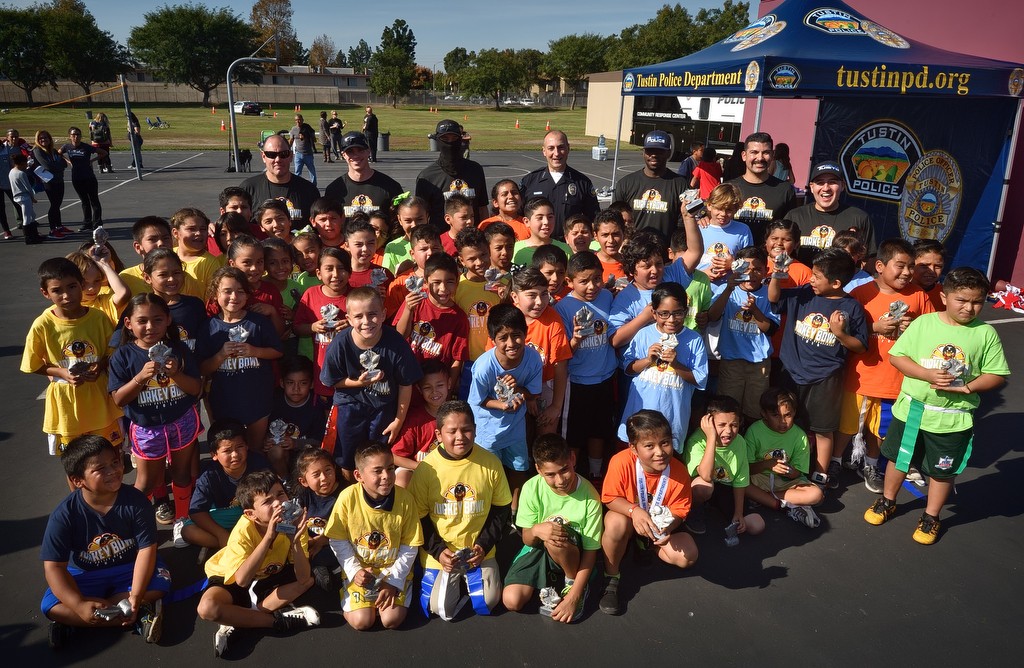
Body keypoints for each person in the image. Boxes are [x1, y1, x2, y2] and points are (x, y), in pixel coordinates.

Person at [864, 267, 1009, 545]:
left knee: (942, 472)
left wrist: (968, 386)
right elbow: (898, 357)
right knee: (898, 459)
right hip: (913, 411)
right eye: (962, 300)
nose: (969, 307)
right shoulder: (924, 323)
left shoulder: (985, 333)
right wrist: (926, 374)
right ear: (944, 297)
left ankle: (931, 516)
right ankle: (887, 500)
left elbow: (996, 374)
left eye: (977, 301)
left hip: (952, 419)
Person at [40, 435, 169, 649]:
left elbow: (147, 550)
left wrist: (135, 596)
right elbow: (54, 567)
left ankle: (79, 621)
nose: (112, 471)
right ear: (77, 480)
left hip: (129, 568)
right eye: (100, 468)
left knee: (160, 584)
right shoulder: (64, 515)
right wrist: (79, 604)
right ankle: (132, 616)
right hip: (86, 574)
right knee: (51, 606)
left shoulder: (136, 501)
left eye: (115, 462)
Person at [836, 239, 935, 493]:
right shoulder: (861, 293)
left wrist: (912, 330)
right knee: (847, 425)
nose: (907, 273)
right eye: (900, 266)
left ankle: (870, 465)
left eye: (911, 267)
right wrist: (873, 328)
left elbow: (932, 332)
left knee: (880, 430)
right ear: (879, 265)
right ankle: (835, 461)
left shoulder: (918, 295)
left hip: (895, 380)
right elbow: (842, 328)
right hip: (860, 376)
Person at [768, 247, 869, 487]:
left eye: (816, 276)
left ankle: (821, 473)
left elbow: (861, 346)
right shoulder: (804, 293)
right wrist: (776, 275)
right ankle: (781, 465)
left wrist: (840, 334)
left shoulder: (852, 307)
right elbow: (774, 298)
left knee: (823, 428)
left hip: (826, 378)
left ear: (835, 283)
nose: (810, 279)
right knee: (785, 422)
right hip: (790, 372)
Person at [407, 400, 513, 621]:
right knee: (438, 607)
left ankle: (473, 576)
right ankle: (451, 577)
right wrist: (438, 551)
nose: (460, 437)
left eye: (466, 430)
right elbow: (419, 517)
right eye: (452, 431)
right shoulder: (426, 469)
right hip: (442, 553)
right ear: (438, 435)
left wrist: (483, 545)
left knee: (489, 600)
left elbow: (501, 510)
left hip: (478, 551)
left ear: (475, 430)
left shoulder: (491, 463)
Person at [197, 471, 320, 658]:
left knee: (308, 581)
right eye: (267, 501)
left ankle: (241, 619)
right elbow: (242, 581)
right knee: (207, 608)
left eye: (280, 494)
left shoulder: (293, 521)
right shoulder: (243, 530)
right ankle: (275, 621)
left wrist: (295, 541)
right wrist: (269, 536)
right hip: (235, 574)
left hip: (269, 572)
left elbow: (303, 578)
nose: (278, 503)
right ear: (250, 514)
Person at [108, 293, 201, 524]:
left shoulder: (178, 349)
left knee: (181, 474)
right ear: (128, 324)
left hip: (182, 421)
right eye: (142, 321)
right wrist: (140, 378)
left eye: (158, 319)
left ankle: (182, 519)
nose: (151, 326)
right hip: (147, 428)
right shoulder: (123, 355)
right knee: (147, 481)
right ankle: (135, 525)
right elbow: (118, 399)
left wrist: (177, 374)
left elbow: (196, 389)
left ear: (168, 320)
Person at [22, 257, 124, 462]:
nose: (67, 295)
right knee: (74, 461)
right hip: (66, 408)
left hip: (100, 402)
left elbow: (112, 352)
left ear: (82, 285)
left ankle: (113, 494)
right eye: (57, 290)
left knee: (111, 455)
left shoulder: (98, 318)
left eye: (72, 286)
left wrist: (100, 366)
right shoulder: (43, 324)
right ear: (46, 293)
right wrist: (61, 373)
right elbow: (32, 365)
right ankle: (79, 495)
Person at [598, 409, 697, 616]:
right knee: (616, 523)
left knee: (688, 557)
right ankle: (611, 577)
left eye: (665, 442)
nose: (660, 452)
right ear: (633, 449)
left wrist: (668, 527)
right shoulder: (620, 461)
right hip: (628, 518)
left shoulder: (679, 471)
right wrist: (634, 511)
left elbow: (680, 509)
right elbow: (609, 498)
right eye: (649, 446)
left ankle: (647, 545)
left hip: (657, 525)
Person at [320, 287, 423, 479]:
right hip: (349, 405)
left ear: (384, 314)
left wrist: (398, 421)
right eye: (358, 316)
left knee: (379, 456)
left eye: (372, 314)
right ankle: (353, 491)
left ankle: (375, 494)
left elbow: (405, 384)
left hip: (383, 405)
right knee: (347, 457)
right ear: (349, 319)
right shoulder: (339, 344)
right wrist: (358, 383)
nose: (366, 322)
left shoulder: (396, 343)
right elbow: (332, 381)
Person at [502, 434, 603, 623]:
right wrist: (536, 530)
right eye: (550, 474)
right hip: (540, 548)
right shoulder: (531, 488)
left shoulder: (590, 496)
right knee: (511, 600)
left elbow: (591, 552)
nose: (560, 480)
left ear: (572, 459)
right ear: (539, 469)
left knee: (555, 536)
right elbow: (527, 539)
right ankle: (553, 578)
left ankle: (572, 583)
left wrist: (574, 596)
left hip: (573, 554)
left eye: (564, 469)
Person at [324, 440, 424, 630]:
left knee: (391, 620)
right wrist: (354, 572)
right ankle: (350, 590)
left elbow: (410, 545)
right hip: (362, 570)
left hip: (391, 568)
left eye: (390, 468)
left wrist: (393, 581)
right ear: (358, 475)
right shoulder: (347, 498)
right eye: (377, 471)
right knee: (362, 622)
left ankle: (402, 587)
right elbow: (337, 539)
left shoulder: (405, 500)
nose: (386, 476)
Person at [617, 281, 709, 451]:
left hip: (671, 417)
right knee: (636, 453)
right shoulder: (644, 334)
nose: (671, 319)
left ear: (686, 311)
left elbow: (700, 380)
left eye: (678, 313)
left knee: (665, 456)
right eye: (664, 314)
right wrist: (647, 360)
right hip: (640, 413)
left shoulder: (694, 339)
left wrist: (676, 364)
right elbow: (628, 368)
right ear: (654, 313)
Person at [201, 266, 284, 451]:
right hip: (224, 400)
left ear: (248, 295)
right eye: (227, 291)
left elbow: (278, 351)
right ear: (215, 294)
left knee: (255, 448)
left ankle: (254, 478)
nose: (234, 297)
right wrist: (221, 355)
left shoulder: (258, 323)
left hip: (257, 398)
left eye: (240, 291)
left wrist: (254, 351)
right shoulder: (209, 327)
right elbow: (202, 368)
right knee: (229, 448)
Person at [468, 305, 543, 509]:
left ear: (526, 333)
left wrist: (518, 389)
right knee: (488, 472)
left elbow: (534, 393)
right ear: (493, 340)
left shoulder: (533, 358)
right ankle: (490, 510)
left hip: (516, 428)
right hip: (487, 431)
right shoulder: (484, 366)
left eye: (516, 335)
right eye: (503, 338)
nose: (511, 343)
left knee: (518, 468)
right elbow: (477, 400)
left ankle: (515, 510)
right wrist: (502, 405)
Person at [555, 251, 618, 481]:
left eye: (596, 279)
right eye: (583, 281)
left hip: (605, 378)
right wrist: (576, 340)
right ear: (570, 281)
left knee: (599, 429)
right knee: (574, 434)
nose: (592, 286)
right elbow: (563, 353)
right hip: (578, 382)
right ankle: (571, 477)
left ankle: (595, 473)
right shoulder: (564, 307)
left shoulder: (607, 298)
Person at [708, 246, 778, 426]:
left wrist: (755, 310)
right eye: (745, 269)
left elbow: (770, 329)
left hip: (759, 363)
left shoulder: (769, 293)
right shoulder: (726, 289)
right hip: (731, 360)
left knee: (755, 410)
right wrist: (728, 290)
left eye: (757, 269)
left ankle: (749, 443)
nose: (751, 274)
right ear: (735, 269)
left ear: (766, 271)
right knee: (727, 408)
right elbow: (713, 316)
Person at [175, 421, 269, 550]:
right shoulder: (209, 475)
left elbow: (273, 496)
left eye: (239, 447)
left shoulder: (259, 464)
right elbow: (196, 511)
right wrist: (220, 534)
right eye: (227, 450)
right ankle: (238, 545)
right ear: (214, 455)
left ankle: (245, 544)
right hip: (228, 514)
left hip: (255, 514)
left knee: (277, 523)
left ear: (247, 446)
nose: (235, 454)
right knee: (188, 531)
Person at [683, 396, 766, 537]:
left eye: (734, 425)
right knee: (705, 486)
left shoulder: (739, 442)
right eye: (721, 425)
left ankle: (716, 507)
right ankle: (693, 510)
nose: (728, 431)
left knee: (757, 524)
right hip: (699, 486)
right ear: (708, 424)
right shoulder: (697, 440)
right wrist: (711, 438)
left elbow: (740, 480)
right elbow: (706, 475)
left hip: (725, 487)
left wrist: (738, 513)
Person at [744, 388, 824, 526]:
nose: (783, 422)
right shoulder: (754, 431)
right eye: (776, 415)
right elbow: (746, 469)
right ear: (764, 414)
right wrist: (767, 465)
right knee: (741, 484)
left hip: (785, 483)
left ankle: (765, 499)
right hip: (759, 478)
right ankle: (784, 506)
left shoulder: (799, 436)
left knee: (817, 494)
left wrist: (790, 471)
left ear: (794, 413)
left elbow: (799, 472)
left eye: (788, 415)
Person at [394, 253, 469, 389]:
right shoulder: (414, 301)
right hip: (407, 379)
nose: (443, 289)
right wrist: (408, 310)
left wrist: (448, 388)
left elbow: (457, 359)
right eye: (436, 282)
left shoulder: (459, 317)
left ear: (457, 281)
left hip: (436, 387)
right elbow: (399, 336)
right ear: (426, 282)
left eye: (450, 282)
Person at [293, 247, 353, 405]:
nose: (335, 274)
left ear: (350, 272)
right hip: (322, 367)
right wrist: (313, 327)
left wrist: (352, 326)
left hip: (350, 370)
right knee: (327, 414)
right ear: (319, 273)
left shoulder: (356, 297)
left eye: (341, 268)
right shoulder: (310, 294)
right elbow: (297, 327)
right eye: (329, 269)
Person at [788, 160, 875, 266]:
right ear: (811, 187)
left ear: (842, 185)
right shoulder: (795, 216)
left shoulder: (859, 218)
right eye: (820, 182)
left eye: (832, 182)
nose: (826, 188)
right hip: (801, 281)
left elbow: (869, 261)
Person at [518, 130, 600, 238]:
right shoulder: (529, 181)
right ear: (544, 151)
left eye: (561, 147)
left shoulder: (582, 182)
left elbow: (594, 219)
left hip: (569, 247)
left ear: (568, 148)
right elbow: (518, 217)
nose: (556, 153)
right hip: (537, 247)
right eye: (551, 148)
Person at [612, 130, 689, 240]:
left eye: (659, 151)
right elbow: (614, 221)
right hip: (632, 251)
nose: (654, 155)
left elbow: (683, 225)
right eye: (650, 151)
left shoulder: (680, 185)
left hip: (664, 253)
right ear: (643, 152)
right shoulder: (625, 183)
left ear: (668, 153)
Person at [416, 119, 489, 226]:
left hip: (473, 239)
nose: (450, 143)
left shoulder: (475, 170)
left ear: (460, 139)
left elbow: (482, 208)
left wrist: (484, 233)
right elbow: (421, 216)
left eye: (454, 138)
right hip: (440, 240)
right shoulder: (427, 177)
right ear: (437, 140)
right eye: (445, 139)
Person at [726, 132, 797, 242]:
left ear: (772, 155)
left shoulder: (785, 190)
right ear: (744, 156)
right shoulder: (728, 188)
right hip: (733, 256)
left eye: (766, 153)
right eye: (754, 152)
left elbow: (790, 230)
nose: (760, 158)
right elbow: (713, 220)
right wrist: (704, 218)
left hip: (769, 257)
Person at [240, 133, 321, 228]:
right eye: (271, 155)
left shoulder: (309, 190)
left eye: (283, 154)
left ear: (291, 156)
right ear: (263, 157)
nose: (278, 159)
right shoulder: (248, 189)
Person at [291, 446, 342, 591]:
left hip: (334, 539)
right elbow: (296, 519)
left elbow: (349, 525)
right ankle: (317, 567)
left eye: (328, 470)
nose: (324, 478)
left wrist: (323, 539)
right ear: (304, 481)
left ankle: (320, 566)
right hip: (310, 540)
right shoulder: (304, 495)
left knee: (338, 550)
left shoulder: (345, 494)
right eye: (316, 474)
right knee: (296, 550)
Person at [392, 360, 449, 485]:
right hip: (417, 469)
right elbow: (395, 457)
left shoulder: (458, 414)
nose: (434, 392)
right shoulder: (415, 419)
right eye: (428, 387)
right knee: (402, 478)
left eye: (440, 385)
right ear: (419, 389)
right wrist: (421, 467)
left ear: (449, 384)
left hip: (450, 470)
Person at [323, 132, 403, 220]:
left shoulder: (390, 187)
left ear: (368, 151)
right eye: (350, 151)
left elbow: (398, 224)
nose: (356, 155)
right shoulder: (334, 190)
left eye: (360, 150)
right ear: (343, 155)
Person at [59, 127, 104, 233]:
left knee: (94, 200)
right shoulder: (67, 146)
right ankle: (87, 223)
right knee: (84, 201)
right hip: (76, 178)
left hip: (89, 177)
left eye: (78, 135)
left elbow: (103, 153)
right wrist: (68, 161)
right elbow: (58, 154)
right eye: (73, 135)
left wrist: (92, 160)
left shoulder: (86, 147)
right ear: (69, 136)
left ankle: (97, 223)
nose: (76, 137)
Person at [171, 207, 223, 294]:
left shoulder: (211, 263)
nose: (198, 233)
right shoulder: (168, 256)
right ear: (176, 233)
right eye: (191, 229)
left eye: (203, 229)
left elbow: (212, 299)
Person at [32, 130, 72, 237]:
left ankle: (59, 226)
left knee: (58, 204)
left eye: (45, 137)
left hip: (59, 179)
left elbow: (64, 164)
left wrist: (57, 166)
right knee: (54, 205)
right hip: (49, 181)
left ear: (50, 139)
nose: (43, 140)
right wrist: (57, 166)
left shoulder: (53, 151)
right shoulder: (38, 151)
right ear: (37, 140)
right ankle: (52, 230)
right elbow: (47, 166)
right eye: (41, 138)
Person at [512, 197, 573, 265]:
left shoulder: (564, 250)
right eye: (540, 218)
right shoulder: (514, 249)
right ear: (526, 221)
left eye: (550, 217)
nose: (546, 222)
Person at [382, 195, 429, 275]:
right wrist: (400, 272)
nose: (414, 225)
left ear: (427, 217)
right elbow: (386, 279)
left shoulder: (436, 243)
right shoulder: (392, 247)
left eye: (419, 219)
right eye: (408, 221)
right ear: (400, 220)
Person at [9, 151, 42, 242]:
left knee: (32, 215)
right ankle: (28, 237)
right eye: (25, 164)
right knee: (27, 217)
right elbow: (28, 187)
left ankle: (34, 235)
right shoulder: (21, 173)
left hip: (17, 196)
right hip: (24, 197)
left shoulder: (12, 171)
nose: (25, 166)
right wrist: (32, 198)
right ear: (22, 163)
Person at [912, 239, 946, 311]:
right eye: (924, 266)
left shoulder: (946, 294)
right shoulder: (898, 290)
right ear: (911, 264)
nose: (932, 271)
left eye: (938, 266)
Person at [289, 113, 318, 186]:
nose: (298, 122)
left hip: (308, 154)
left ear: (302, 120)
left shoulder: (307, 127)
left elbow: (313, 137)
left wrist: (308, 136)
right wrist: (288, 149)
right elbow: (291, 140)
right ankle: (297, 186)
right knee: (297, 172)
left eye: (299, 120)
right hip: (298, 154)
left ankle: (314, 185)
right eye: (296, 120)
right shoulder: (293, 129)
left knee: (312, 171)